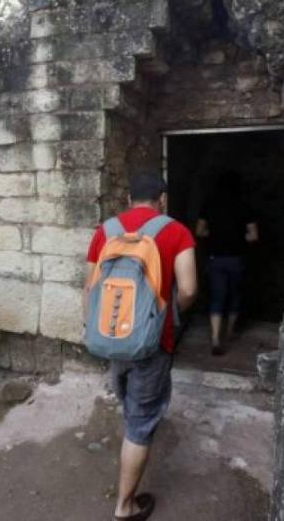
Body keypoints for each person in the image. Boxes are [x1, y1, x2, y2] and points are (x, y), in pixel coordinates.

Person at [85, 171, 197, 521]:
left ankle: (131, 438)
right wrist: (170, 314)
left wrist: (95, 330)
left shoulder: (106, 230)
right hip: (152, 342)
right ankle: (125, 507)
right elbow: (189, 289)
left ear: (129, 199)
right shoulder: (176, 231)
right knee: (140, 423)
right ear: (161, 199)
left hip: (111, 336)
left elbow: (90, 288)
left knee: (130, 404)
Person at [195, 171, 258, 356]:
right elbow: (254, 235)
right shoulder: (245, 206)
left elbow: (199, 231)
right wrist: (238, 237)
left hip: (216, 258)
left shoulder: (209, 204)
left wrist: (215, 235)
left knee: (217, 297)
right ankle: (229, 334)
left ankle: (215, 338)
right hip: (237, 258)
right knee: (235, 296)